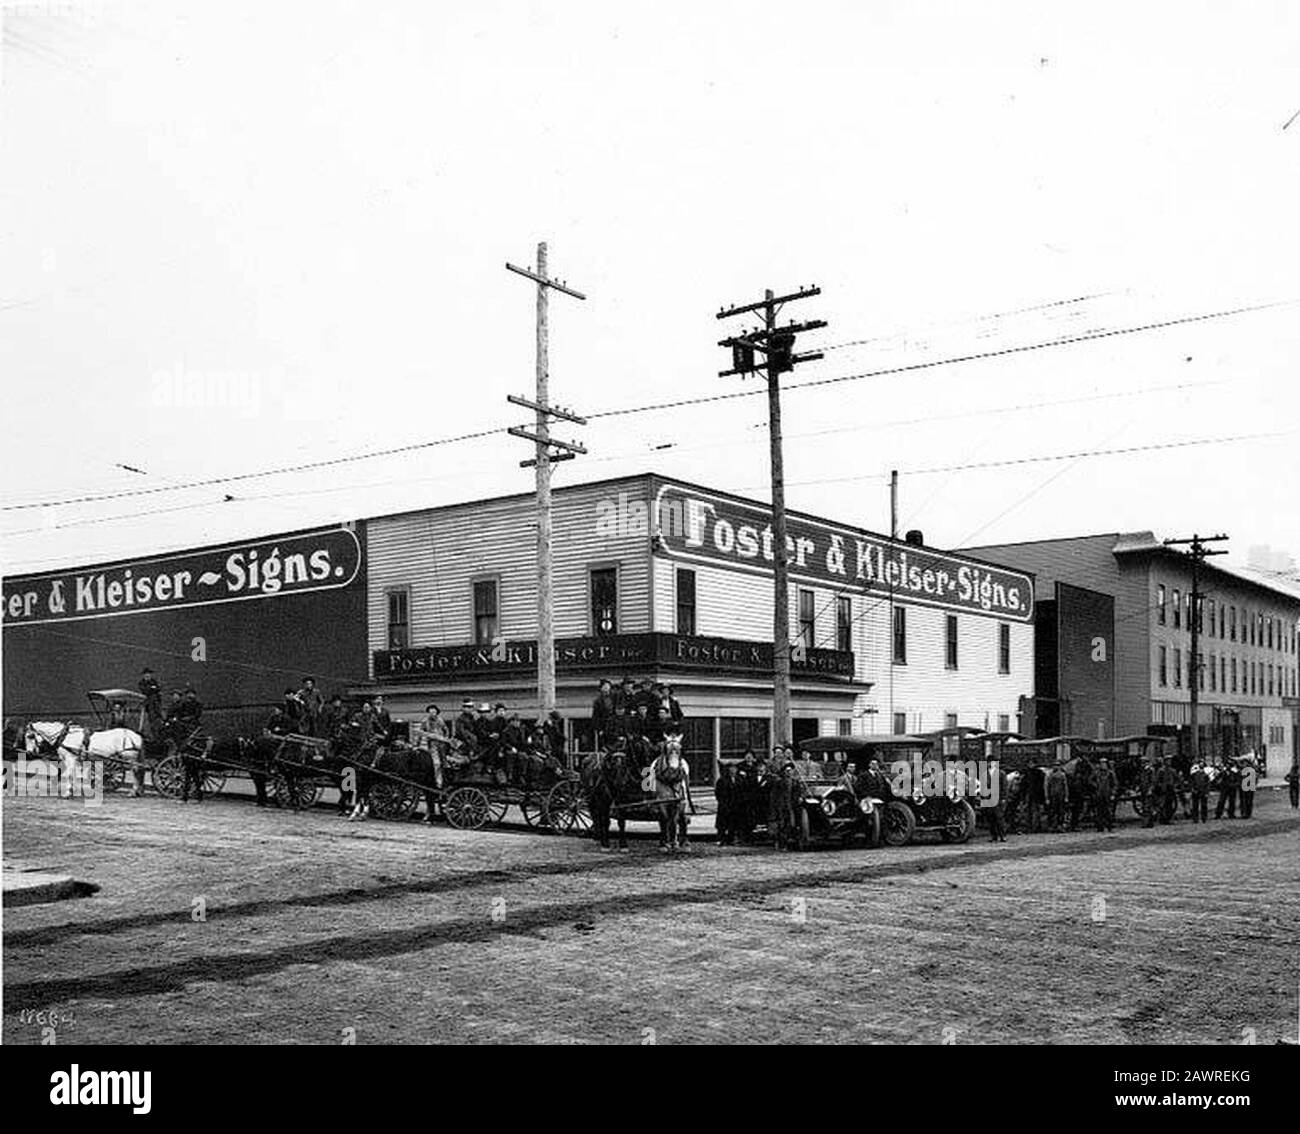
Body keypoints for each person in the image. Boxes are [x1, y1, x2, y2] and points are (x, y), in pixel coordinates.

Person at [715, 762, 738, 846]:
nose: (733, 770)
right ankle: (720, 839)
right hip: (725, 804)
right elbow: (718, 793)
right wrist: (723, 802)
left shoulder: (739, 779)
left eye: (735, 768)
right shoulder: (722, 780)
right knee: (722, 824)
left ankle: (731, 839)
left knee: (733, 823)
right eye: (731, 768)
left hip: (735, 805)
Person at [1093, 757, 1118, 832]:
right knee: (1099, 811)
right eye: (1101, 763)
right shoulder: (1097, 773)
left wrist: (1113, 794)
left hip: (1108, 794)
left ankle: (1109, 826)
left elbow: (1115, 784)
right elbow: (1090, 780)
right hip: (1099, 794)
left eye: (1104, 763)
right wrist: (1095, 785)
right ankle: (1100, 827)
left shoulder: (1110, 773)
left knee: (1108, 811)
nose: (1103, 765)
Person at [986, 761, 1009, 842]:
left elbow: (1004, 786)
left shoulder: (1001, 773)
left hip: (998, 798)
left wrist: (1004, 798)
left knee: (999, 818)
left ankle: (1003, 835)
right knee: (990, 818)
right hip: (988, 798)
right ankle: (994, 836)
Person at [591, 680, 617, 748]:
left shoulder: (615, 697)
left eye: (608, 686)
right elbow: (596, 716)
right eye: (604, 687)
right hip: (604, 724)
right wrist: (599, 729)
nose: (606, 688)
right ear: (601, 688)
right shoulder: (598, 701)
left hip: (615, 723)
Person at [1045, 762, 1069, 833]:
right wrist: (1047, 797)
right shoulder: (1049, 775)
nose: (1056, 767)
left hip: (1060, 795)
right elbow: (1046, 786)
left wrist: (1066, 796)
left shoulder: (1062, 775)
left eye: (1058, 765)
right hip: (1052, 795)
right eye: (1055, 765)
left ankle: (1060, 825)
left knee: (1061, 811)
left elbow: (1065, 786)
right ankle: (1052, 826)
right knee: (1052, 811)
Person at [138, 668, 163, 734]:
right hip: (148, 704)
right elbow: (145, 690)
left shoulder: (154, 682)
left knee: (158, 717)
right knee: (150, 718)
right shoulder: (141, 683)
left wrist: (153, 689)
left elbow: (158, 689)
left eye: (149, 675)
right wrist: (152, 689)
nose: (147, 676)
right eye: (146, 675)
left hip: (156, 704)